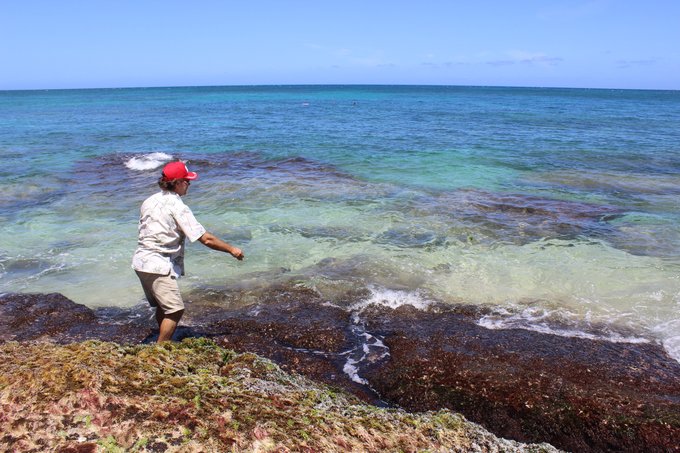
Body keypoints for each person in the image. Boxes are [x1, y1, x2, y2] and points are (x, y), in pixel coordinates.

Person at [132, 160, 244, 342]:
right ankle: (160, 350)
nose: (189, 184)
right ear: (176, 182)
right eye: (186, 181)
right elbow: (205, 238)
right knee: (175, 310)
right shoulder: (178, 207)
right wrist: (232, 249)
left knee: (163, 305)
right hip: (158, 265)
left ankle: (159, 336)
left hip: (140, 261)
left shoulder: (149, 200)